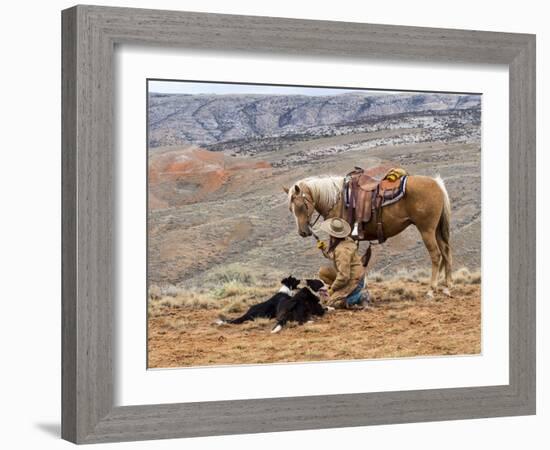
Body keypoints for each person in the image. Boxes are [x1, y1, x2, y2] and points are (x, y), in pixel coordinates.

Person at [316, 218, 370, 309]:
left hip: (354, 280)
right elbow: (334, 256)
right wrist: (324, 248)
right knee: (323, 272)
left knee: (331, 303)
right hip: (354, 276)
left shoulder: (341, 250)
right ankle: (342, 291)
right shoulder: (346, 240)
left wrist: (332, 289)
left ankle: (360, 296)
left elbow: (344, 276)